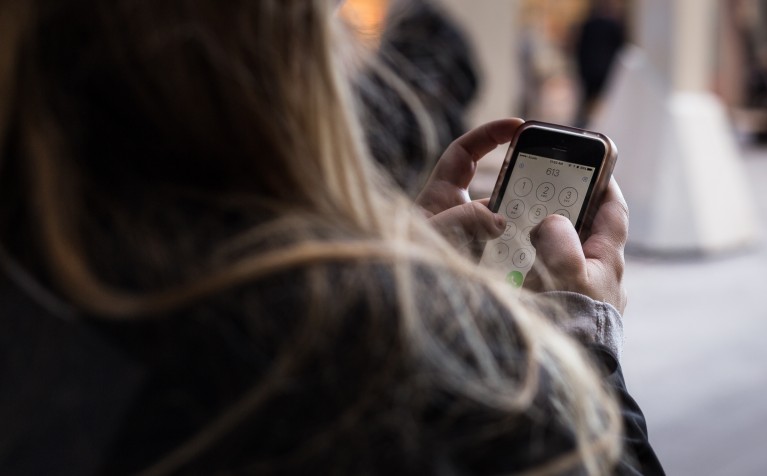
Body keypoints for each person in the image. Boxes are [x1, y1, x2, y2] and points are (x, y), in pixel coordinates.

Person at [0, 1, 663, 475]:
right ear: (290, 45)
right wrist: (582, 339)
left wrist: (409, 268)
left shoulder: (41, 283)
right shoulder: (387, 362)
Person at [355, 0, 480, 193]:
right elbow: (472, 81)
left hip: (396, 185)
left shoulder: (410, 30)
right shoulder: (441, 30)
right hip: (433, 155)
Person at [573, 0, 627, 128]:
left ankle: (585, 123)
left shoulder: (590, 25)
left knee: (590, 98)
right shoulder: (612, 26)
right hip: (603, 69)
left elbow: (580, 48)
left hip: (592, 69)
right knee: (602, 98)